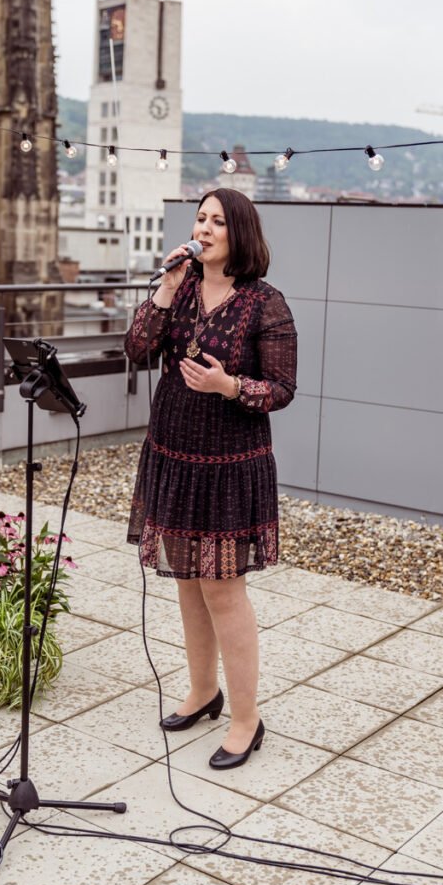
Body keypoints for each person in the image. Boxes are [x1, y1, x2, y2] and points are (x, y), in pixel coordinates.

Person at [125, 187, 297, 770]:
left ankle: (247, 719)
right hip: (172, 453)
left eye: (217, 222)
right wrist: (166, 291)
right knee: (186, 581)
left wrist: (229, 386)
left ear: (239, 234)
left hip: (229, 465)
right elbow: (136, 348)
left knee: (223, 590)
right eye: (200, 219)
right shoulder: (183, 287)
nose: (203, 229)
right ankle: (203, 692)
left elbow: (281, 390)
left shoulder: (265, 303)